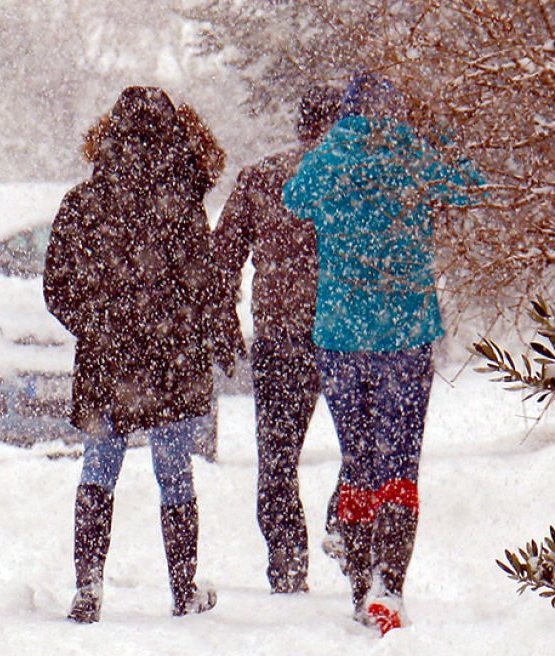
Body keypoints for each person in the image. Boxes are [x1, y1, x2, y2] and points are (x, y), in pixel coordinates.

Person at [282, 73, 480, 634]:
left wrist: (334, 148)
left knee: (359, 461)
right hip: (406, 333)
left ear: (347, 111)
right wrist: (435, 134)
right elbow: (470, 184)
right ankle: (389, 587)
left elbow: (294, 200)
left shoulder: (331, 155)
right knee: (400, 464)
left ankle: (358, 584)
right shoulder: (412, 152)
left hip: (341, 335)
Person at [44, 86, 242, 623]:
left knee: (98, 466)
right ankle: (183, 589)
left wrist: (98, 327)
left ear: (109, 135)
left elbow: (56, 285)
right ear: (177, 135)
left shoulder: (83, 203)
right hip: (170, 359)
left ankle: (88, 586)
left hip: (108, 359)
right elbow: (205, 284)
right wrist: (215, 334)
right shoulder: (182, 204)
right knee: (175, 472)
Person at [212, 86, 342, 595]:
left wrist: (224, 329)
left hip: (281, 336)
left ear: (299, 124)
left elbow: (221, 261)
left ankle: (288, 562)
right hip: (345, 334)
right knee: (364, 448)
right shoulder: (353, 180)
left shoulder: (263, 177)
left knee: (278, 458)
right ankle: (343, 521)